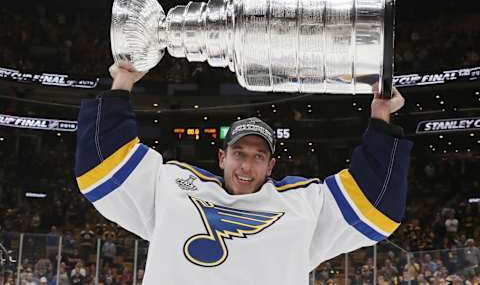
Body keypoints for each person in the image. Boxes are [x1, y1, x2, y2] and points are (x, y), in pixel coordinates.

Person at [74, 62, 413, 284]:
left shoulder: (303, 204)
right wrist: (122, 82)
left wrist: (381, 114)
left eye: (258, 156)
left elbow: (376, 205)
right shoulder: (173, 187)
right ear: (222, 157)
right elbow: (104, 168)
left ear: (271, 166)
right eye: (238, 153)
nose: (246, 166)